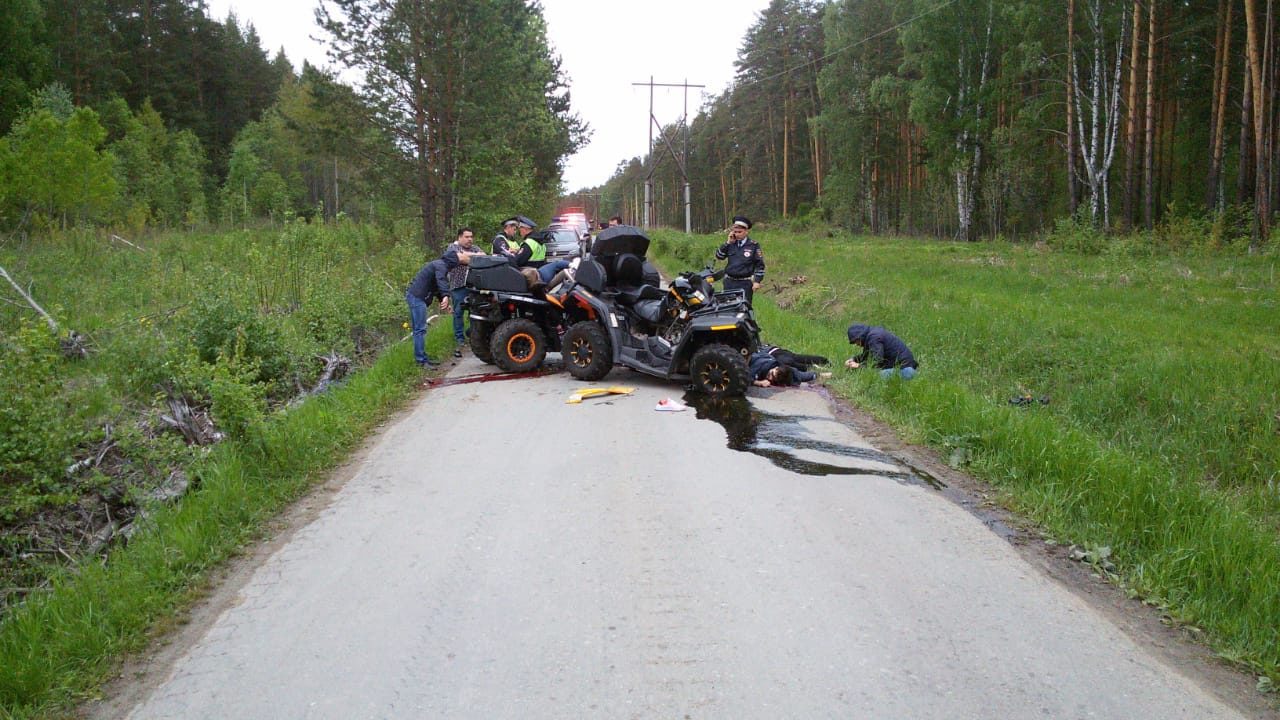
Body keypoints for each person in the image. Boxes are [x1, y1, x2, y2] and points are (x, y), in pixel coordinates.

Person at [442, 227, 483, 356]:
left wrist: (469, 257)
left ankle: (473, 335)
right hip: (458, 285)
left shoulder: (475, 248)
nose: (469, 239)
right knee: (458, 312)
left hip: (474, 286)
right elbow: (459, 258)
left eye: (471, 236)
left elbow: (484, 257)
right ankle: (459, 338)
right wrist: (472, 258)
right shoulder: (452, 248)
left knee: (475, 311)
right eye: (466, 237)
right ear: (459, 237)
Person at [405, 258, 451, 367]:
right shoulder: (440, 266)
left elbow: (436, 287)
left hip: (416, 297)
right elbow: (440, 281)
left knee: (419, 330)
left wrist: (444, 302)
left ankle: (422, 358)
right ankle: (421, 360)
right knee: (420, 330)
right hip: (417, 298)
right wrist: (446, 296)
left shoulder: (437, 267)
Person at [716, 215, 765, 305]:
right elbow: (719, 256)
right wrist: (727, 243)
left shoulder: (753, 245)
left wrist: (757, 281)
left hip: (744, 283)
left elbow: (759, 265)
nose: (737, 234)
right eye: (735, 232)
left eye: (740, 232)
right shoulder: (731, 243)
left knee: (743, 310)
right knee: (727, 309)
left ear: (746, 231)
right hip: (729, 283)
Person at [846, 323, 918, 379]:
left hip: (904, 369)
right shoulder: (872, 335)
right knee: (868, 372)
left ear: (860, 337)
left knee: (874, 377)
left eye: (856, 342)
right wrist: (853, 359)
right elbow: (867, 355)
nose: (856, 344)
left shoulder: (874, 337)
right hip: (902, 366)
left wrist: (859, 366)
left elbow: (877, 361)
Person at [511, 215, 569, 284]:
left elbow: (518, 261)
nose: (520, 232)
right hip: (540, 274)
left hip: (530, 277)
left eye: (520, 229)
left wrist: (512, 256)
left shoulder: (529, 242)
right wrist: (518, 251)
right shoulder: (540, 242)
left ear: (525, 229)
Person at [749, 345, 828, 387]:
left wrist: (821, 375)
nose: (769, 378)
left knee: (794, 359)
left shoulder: (787, 373)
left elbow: (803, 376)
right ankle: (820, 362)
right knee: (792, 360)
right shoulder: (760, 364)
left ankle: (823, 362)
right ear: (775, 368)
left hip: (778, 354)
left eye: (774, 379)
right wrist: (758, 382)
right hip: (764, 353)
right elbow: (745, 377)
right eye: (771, 374)